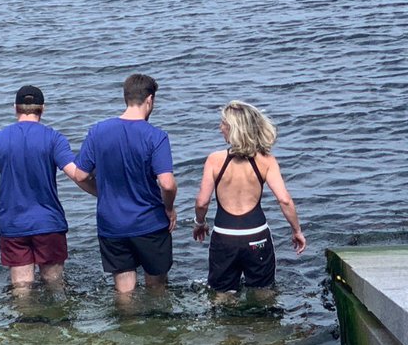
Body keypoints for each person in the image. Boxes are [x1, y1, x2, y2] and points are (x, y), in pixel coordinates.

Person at [0, 85, 97, 290]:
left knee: (22, 288)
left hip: (13, 225)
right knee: (55, 285)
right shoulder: (54, 138)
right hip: (49, 222)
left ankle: (24, 311)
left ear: (15, 108)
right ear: (43, 108)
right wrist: (102, 194)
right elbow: (77, 175)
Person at [70, 74, 177, 293]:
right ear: (150, 100)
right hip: (149, 222)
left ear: (125, 98)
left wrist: (103, 193)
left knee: (124, 289)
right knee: (156, 286)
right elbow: (167, 184)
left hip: (112, 224)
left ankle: (125, 315)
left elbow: (80, 175)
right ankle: (157, 315)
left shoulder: (98, 131)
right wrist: (169, 208)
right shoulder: (156, 136)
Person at [192, 101, 306, 293]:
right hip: (256, 235)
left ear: (234, 128)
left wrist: (200, 223)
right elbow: (284, 200)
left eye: (223, 123)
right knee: (263, 293)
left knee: (222, 296)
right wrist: (297, 231)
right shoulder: (266, 161)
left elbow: (202, 202)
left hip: (225, 237)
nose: (220, 128)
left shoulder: (214, 160)